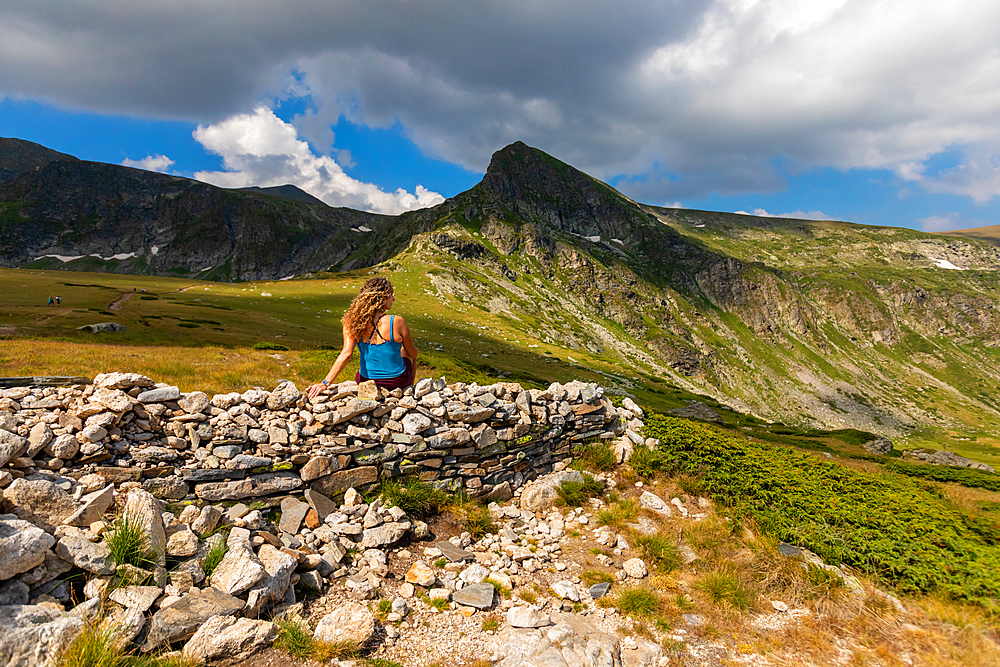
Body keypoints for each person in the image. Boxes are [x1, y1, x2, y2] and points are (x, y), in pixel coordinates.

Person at [307, 277, 418, 399]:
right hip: (396, 381)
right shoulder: (396, 321)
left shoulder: (352, 322)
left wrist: (325, 383)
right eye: (391, 295)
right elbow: (412, 352)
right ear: (382, 298)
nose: (393, 299)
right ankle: (410, 391)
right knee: (407, 352)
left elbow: (346, 354)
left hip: (365, 380)